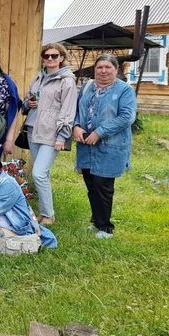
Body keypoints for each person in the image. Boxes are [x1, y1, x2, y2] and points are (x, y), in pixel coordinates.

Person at [73, 55, 136, 239]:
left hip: (110, 146)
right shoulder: (87, 87)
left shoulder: (124, 91)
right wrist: (76, 126)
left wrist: (100, 132)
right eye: (100, 67)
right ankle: (97, 222)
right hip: (86, 145)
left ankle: (106, 228)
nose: (103, 71)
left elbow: (126, 117)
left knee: (103, 185)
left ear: (116, 70)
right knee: (91, 184)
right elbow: (77, 111)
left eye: (108, 67)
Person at [22, 43, 77, 225]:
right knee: (42, 174)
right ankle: (46, 213)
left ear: (62, 58)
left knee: (38, 173)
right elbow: (28, 100)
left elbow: (68, 111)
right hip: (32, 130)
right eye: (46, 56)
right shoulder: (39, 77)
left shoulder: (66, 81)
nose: (50, 59)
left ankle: (48, 215)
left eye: (54, 56)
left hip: (51, 133)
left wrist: (62, 136)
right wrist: (28, 103)